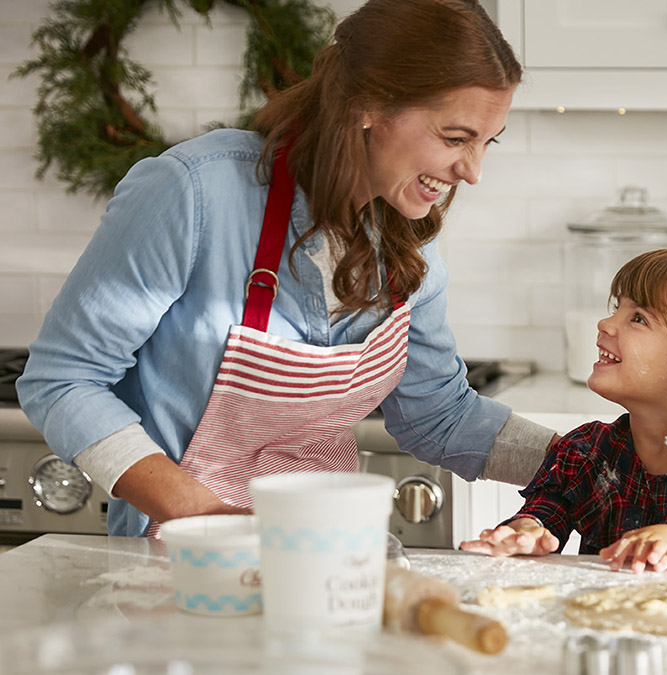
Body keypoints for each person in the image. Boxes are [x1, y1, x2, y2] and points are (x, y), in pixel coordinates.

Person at [15, 0, 558, 538]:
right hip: (184, 563)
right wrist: (204, 519)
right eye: (456, 138)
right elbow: (64, 381)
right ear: (369, 104)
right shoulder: (196, 191)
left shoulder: (408, 240)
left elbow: (441, 417)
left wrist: (604, 462)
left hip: (327, 555)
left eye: (487, 143)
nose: (473, 171)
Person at [461, 249, 667, 573]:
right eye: (616, 308)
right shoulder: (586, 452)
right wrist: (527, 531)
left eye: (638, 318)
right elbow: (545, 514)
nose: (605, 323)